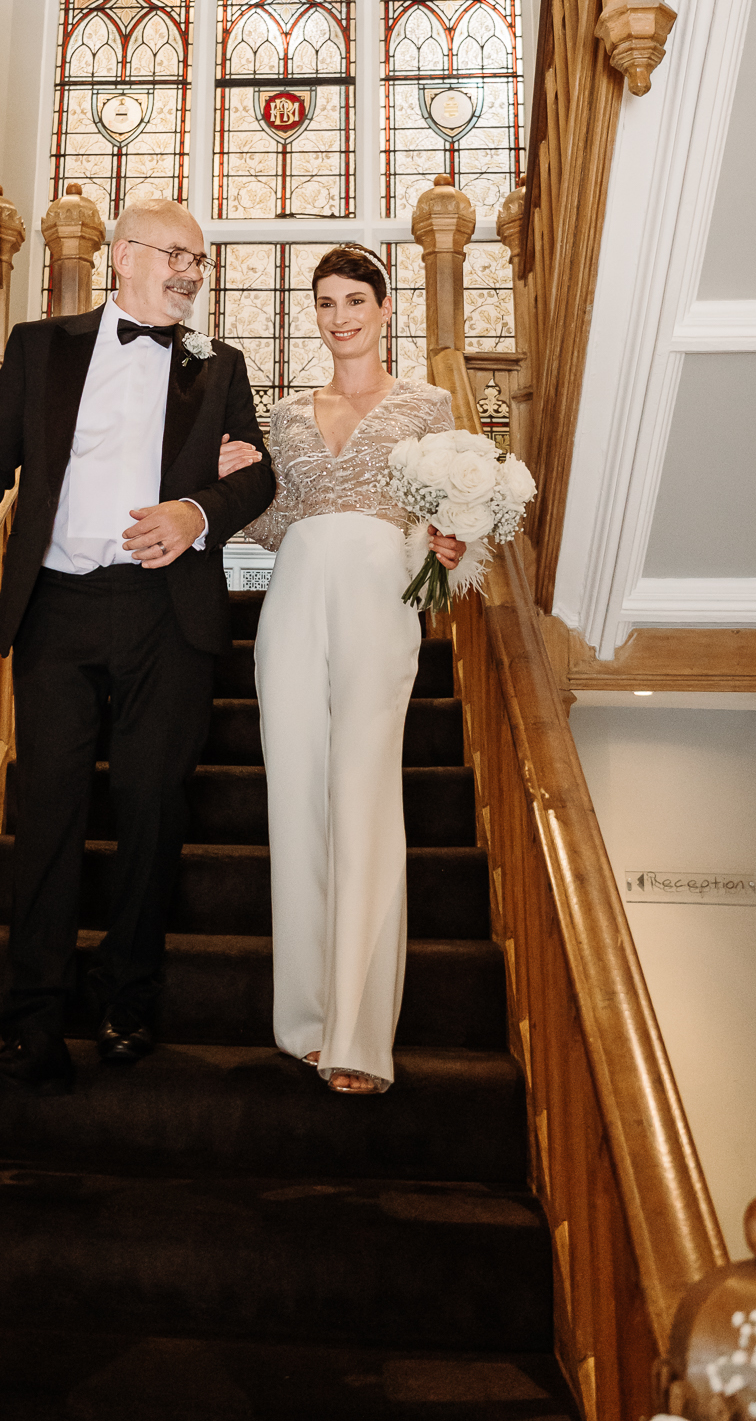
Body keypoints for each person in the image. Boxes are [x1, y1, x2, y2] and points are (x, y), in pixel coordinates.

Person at [0, 196, 274, 1096]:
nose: (190, 272)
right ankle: (31, 1020)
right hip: (55, 608)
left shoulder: (219, 367)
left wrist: (196, 513)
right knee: (48, 811)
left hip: (165, 617)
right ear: (125, 256)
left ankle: (128, 1004)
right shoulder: (39, 346)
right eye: (176, 253)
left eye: (199, 261)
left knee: (151, 809)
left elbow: (259, 477)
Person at [229, 246, 466, 1095]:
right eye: (325, 302)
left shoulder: (429, 403)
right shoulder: (286, 413)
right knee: (295, 799)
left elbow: (450, 515)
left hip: (380, 596)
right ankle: (303, 1019)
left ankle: (360, 1036)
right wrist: (236, 484)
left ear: (384, 306)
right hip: (292, 596)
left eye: (354, 299)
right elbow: (272, 523)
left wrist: (451, 538)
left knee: (364, 795)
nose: (339, 316)